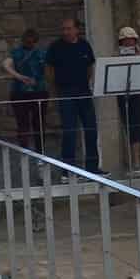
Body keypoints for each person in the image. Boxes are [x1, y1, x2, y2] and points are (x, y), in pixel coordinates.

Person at [45, 16, 100, 170]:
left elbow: (90, 67)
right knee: (69, 131)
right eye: (63, 29)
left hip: (84, 91)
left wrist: (85, 83)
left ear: (76, 29)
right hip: (65, 92)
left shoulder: (84, 45)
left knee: (91, 129)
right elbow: (49, 69)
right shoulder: (55, 47)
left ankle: (92, 168)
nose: (66, 32)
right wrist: (56, 89)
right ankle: (68, 169)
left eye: (69, 28)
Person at [113, 26, 140, 176]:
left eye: (130, 40)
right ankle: (135, 165)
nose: (127, 43)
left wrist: (139, 55)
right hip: (124, 96)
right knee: (130, 129)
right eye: (124, 40)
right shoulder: (118, 56)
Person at [7, 28, 48, 150]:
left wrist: (19, 77)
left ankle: (29, 150)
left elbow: (5, 65)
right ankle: (36, 151)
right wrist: (21, 77)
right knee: (34, 124)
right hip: (32, 91)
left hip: (27, 91)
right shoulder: (41, 53)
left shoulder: (17, 52)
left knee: (28, 124)